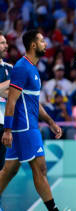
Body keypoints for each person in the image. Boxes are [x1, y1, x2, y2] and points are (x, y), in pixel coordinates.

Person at [0, 30, 63, 211]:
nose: (46, 44)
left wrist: (50, 122)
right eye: (42, 41)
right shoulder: (22, 68)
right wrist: (7, 130)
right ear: (33, 45)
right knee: (40, 169)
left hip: (28, 125)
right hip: (24, 127)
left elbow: (34, 102)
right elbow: (11, 100)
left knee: (9, 170)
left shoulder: (32, 69)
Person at [0, 32, 12, 170]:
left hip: (3, 124)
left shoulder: (10, 68)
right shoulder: (13, 76)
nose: (6, 46)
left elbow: (16, 94)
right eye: (2, 43)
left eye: (6, 43)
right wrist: (10, 82)